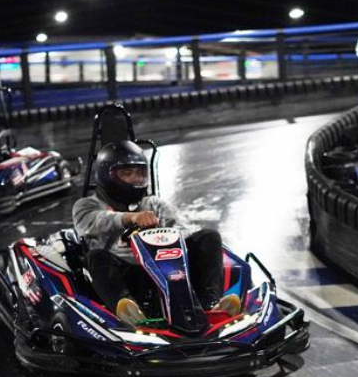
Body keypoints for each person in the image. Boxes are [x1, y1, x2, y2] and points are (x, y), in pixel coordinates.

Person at [72, 140, 240, 328]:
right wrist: (131, 218)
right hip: (125, 275)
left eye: (139, 173)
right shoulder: (86, 205)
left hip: (165, 268)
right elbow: (93, 222)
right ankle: (129, 311)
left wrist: (161, 235)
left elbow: (181, 230)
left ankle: (211, 303)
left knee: (209, 237)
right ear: (108, 175)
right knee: (95, 257)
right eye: (127, 173)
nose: (135, 179)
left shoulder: (154, 204)